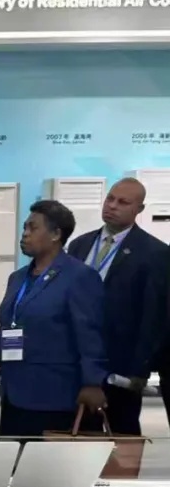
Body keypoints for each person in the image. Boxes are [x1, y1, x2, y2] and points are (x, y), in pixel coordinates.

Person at [0, 200, 108, 437]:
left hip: (56, 395)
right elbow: (13, 324)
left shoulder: (79, 277)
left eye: (33, 228)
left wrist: (92, 382)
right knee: (15, 458)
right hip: (15, 391)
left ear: (56, 234)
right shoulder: (18, 278)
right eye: (24, 227)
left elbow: (90, 334)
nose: (25, 234)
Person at [66, 178, 166, 436]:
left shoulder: (154, 253)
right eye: (110, 198)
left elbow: (153, 316)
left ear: (139, 209)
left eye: (123, 202)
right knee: (80, 434)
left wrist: (139, 369)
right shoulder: (79, 245)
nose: (112, 206)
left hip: (122, 364)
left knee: (122, 435)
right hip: (78, 361)